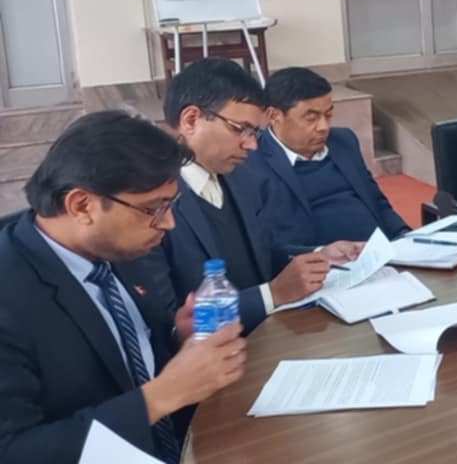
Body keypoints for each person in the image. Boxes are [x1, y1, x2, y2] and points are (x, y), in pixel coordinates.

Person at [0, 111, 246, 464]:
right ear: (81, 206)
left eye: (170, 205)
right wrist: (160, 396)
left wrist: (177, 338)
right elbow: (13, 450)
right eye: (153, 209)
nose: (169, 223)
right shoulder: (11, 292)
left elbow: (127, 360)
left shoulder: (119, 250)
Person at [135, 58, 360, 334]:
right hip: (213, 353)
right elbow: (169, 323)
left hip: (274, 334)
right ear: (191, 119)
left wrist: (318, 254)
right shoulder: (148, 205)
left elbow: (263, 252)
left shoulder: (241, 178)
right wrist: (271, 294)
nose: (251, 145)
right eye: (239, 129)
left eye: (254, 132)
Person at [244, 67, 409, 246]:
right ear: (274, 115)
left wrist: (404, 236)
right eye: (311, 118)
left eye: (328, 115)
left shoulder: (344, 141)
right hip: (320, 260)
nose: (323, 127)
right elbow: (265, 242)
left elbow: (376, 201)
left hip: (380, 251)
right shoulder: (252, 162)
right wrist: (318, 255)